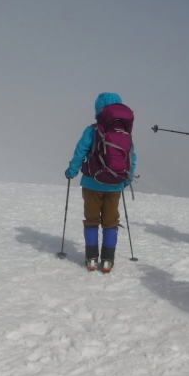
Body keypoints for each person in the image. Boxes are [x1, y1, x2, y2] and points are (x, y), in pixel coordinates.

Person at [65, 93, 136, 273]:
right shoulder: (125, 133)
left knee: (91, 220)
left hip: (91, 183)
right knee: (111, 221)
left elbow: (80, 152)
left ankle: (91, 259)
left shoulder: (91, 130)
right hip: (116, 185)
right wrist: (126, 178)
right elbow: (131, 157)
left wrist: (71, 171)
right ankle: (107, 260)